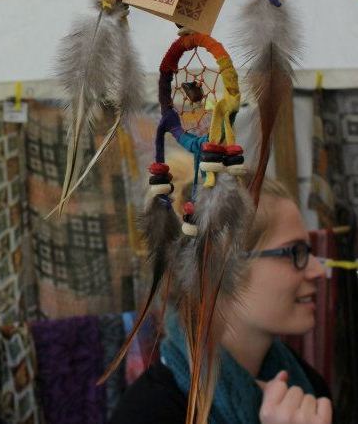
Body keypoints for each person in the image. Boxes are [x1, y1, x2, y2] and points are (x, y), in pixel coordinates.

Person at [109, 178, 332, 424]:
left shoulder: (308, 387)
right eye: (295, 252)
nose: (318, 271)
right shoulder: (150, 412)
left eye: (308, 252)